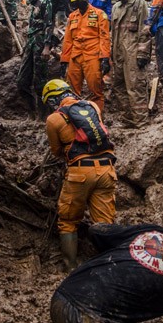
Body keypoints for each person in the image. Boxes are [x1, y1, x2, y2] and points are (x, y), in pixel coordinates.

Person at [42, 79, 117, 272]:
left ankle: (71, 268)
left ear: (53, 100)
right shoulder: (92, 106)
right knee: (105, 223)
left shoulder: (53, 119)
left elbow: (56, 151)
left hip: (80, 173)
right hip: (107, 169)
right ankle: (109, 267)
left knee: (68, 221)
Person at [59, 0, 111, 112]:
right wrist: (64, 61)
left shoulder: (99, 15)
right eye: (75, 2)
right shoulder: (72, 17)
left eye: (80, 0)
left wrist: (105, 58)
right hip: (75, 57)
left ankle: (97, 118)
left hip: (92, 56)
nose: (78, 4)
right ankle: (74, 118)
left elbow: (104, 37)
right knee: (71, 92)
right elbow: (68, 40)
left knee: (95, 90)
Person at [110, 0, 152, 127]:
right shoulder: (116, 7)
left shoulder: (139, 3)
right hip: (118, 54)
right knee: (119, 87)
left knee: (135, 87)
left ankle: (140, 121)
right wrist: (112, 53)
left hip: (133, 53)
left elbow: (145, 30)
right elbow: (113, 33)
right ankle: (127, 119)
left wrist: (143, 53)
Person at [17, 0, 55, 119]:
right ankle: (32, 112)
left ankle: (43, 116)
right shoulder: (34, 4)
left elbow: (49, 25)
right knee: (22, 81)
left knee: (40, 81)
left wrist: (47, 46)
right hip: (31, 42)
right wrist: (26, 46)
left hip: (40, 43)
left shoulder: (46, 1)